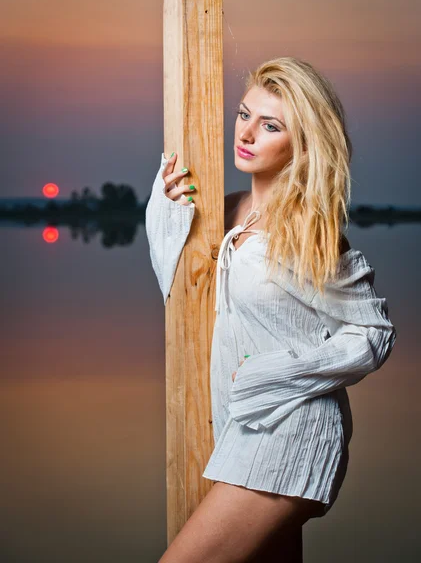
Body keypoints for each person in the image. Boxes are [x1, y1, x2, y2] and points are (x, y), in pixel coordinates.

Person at [145, 56, 397, 562]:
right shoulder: (227, 208)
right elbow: (176, 286)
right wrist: (166, 207)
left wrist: (275, 372)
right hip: (241, 430)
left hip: (291, 433)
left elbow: (374, 333)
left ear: (302, 143)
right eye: (244, 115)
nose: (248, 133)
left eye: (271, 125)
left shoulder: (310, 230)